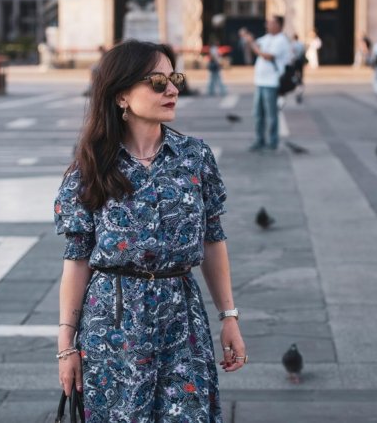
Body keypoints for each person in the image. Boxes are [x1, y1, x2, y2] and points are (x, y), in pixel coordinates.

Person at [54, 40, 246, 422]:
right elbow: (76, 262)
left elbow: (212, 238)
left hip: (182, 320)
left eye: (174, 78)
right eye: (158, 81)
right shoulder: (91, 168)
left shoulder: (195, 156)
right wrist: (66, 345)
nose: (173, 89)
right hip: (113, 327)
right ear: (122, 95)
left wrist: (229, 316)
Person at [243, 16, 292, 151]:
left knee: (271, 114)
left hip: (272, 82)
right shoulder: (267, 38)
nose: (267, 25)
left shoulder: (281, 40)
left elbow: (267, 55)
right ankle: (260, 140)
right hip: (260, 81)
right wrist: (249, 40)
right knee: (258, 113)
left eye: (270, 23)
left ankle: (272, 141)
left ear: (278, 24)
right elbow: (256, 45)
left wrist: (253, 45)